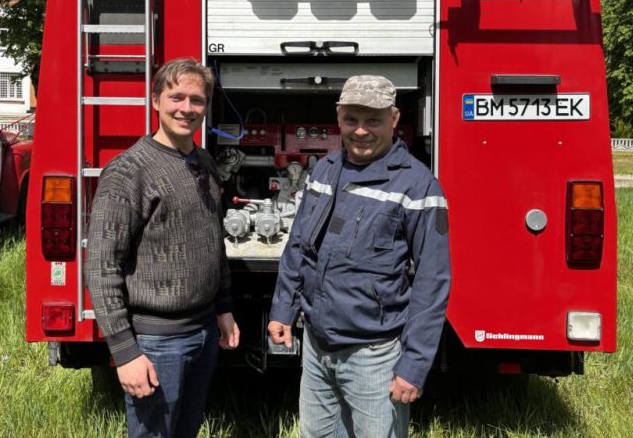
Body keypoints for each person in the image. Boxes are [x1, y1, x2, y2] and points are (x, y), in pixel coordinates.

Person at [268, 75, 451, 438]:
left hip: (373, 356)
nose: (361, 131)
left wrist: (413, 364)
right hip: (318, 347)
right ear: (338, 119)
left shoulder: (417, 185)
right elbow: (298, 245)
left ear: (394, 119)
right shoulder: (325, 170)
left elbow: (432, 281)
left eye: (373, 120)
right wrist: (282, 309)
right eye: (352, 119)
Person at [85, 58, 240, 438]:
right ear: (155, 100)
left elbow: (211, 241)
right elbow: (102, 267)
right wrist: (125, 352)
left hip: (203, 331)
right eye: (176, 97)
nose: (186, 108)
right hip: (157, 342)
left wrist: (223, 308)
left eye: (197, 100)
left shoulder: (202, 162)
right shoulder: (128, 172)